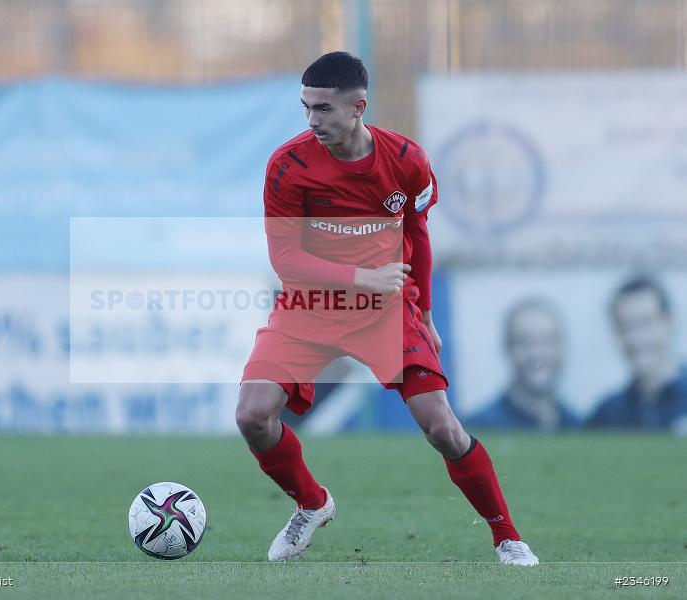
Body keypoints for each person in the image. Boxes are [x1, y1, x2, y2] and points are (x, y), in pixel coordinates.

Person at [235, 52, 538, 565]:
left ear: (359, 107)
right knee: (252, 416)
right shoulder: (287, 165)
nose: (313, 120)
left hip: (386, 311)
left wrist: (425, 314)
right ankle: (312, 504)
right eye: (306, 108)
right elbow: (285, 257)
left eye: (325, 109)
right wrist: (361, 276)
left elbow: (418, 234)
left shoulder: (406, 161)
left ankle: (508, 538)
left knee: (442, 428)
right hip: (309, 306)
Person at [587, 276, 687, 432]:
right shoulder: (605, 416)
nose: (635, 339)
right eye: (624, 327)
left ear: (669, 323)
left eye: (644, 323)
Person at [468, 297, 578, 431]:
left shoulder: (577, 426)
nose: (537, 353)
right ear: (507, 349)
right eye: (524, 342)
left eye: (547, 341)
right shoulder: (479, 428)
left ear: (562, 347)